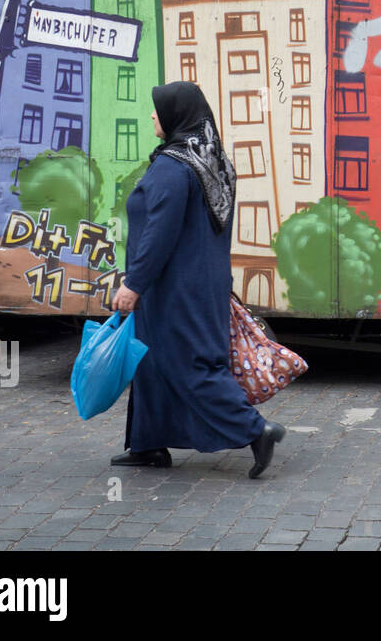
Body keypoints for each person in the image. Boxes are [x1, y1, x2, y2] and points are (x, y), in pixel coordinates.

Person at [108, 81, 285, 478]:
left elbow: (160, 233)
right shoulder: (211, 161)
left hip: (173, 288)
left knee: (190, 363)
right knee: (151, 362)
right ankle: (148, 444)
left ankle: (257, 431)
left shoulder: (174, 167)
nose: (153, 116)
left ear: (175, 116)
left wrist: (133, 283)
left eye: (158, 110)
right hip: (199, 282)